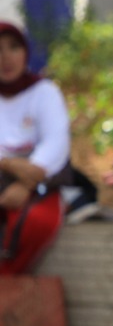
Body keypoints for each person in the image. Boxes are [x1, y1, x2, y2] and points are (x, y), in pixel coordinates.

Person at [0, 22, 70, 275]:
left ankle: (7, 279)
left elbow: (56, 144)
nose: (6, 58)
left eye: (14, 47)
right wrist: (7, 163)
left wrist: (25, 185)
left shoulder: (45, 93)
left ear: (26, 52)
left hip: (39, 185)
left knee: (38, 222)